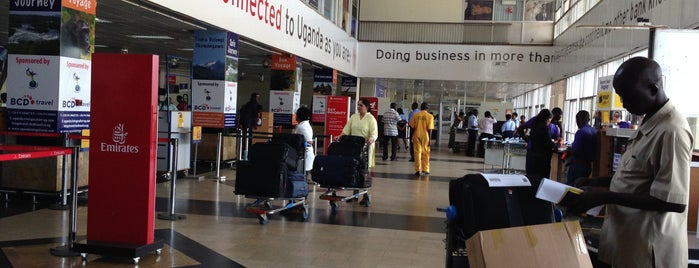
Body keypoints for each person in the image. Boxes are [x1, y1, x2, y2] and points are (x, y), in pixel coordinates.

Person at [561, 57, 693, 267]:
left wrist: (605, 196)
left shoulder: (671, 131)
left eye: (628, 96)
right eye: (621, 96)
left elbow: (673, 201)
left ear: (653, 88)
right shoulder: (648, 122)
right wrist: (597, 182)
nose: (623, 104)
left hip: (649, 251)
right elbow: (638, 177)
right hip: (628, 243)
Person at [337, 98, 379, 169]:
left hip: (365, 147)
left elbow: (374, 133)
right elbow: (346, 130)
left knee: (363, 167)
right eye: (358, 105)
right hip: (353, 145)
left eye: (361, 105)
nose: (358, 107)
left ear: (367, 107)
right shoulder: (354, 117)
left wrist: (372, 138)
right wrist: (339, 136)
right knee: (352, 166)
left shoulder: (371, 118)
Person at [565, 110, 597, 186]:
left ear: (578, 120)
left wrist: (569, 149)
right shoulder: (594, 131)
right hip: (588, 165)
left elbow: (575, 151)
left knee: (571, 187)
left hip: (578, 165)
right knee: (582, 187)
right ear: (588, 120)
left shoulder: (580, 132)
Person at [525, 109, 558, 179]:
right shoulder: (545, 129)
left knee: (531, 178)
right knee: (541, 180)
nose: (549, 123)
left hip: (533, 157)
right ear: (545, 119)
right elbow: (549, 143)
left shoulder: (535, 126)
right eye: (549, 121)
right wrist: (556, 145)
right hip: (542, 160)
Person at [409, 102, 434, 176]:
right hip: (425, 135)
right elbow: (430, 129)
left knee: (417, 152)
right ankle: (425, 169)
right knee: (426, 153)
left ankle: (418, 170)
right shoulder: (430, 116)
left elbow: (412, 127)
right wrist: (430, 140)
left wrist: (411, 136)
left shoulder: (416, 115)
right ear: (427, 108)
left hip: (416, 134)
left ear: (421, 107)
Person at [294, 106, 315, 183]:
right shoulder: (305, 124)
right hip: (306, 154)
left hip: (305, 154)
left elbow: (309, 141)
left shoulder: (301, 126)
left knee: (302, 176)